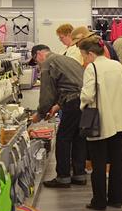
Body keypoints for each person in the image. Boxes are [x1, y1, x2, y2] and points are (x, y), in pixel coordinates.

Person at [78, 36, 122, 211]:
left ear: (91, 54)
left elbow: (87, 95)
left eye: (84, 56)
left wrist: (82, 102)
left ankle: (99, 200)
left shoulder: (92, 68)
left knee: (99, 162)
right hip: (119, 119)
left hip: (101, 120)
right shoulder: (117, 65)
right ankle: (117, 198)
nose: (84, 60)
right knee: (117, 161)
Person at [34, 45, 88, 187]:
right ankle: (79, 175)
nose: (37, 64)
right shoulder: (65, 59)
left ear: (39, 54)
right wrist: (57, 106)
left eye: (35, 60)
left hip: (73, 101)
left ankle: (63, 177)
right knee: (78, 137)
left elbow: (47, 94)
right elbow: (70, 84)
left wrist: (39, 114)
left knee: (63, 138)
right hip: (84, 100)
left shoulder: (47, 63)